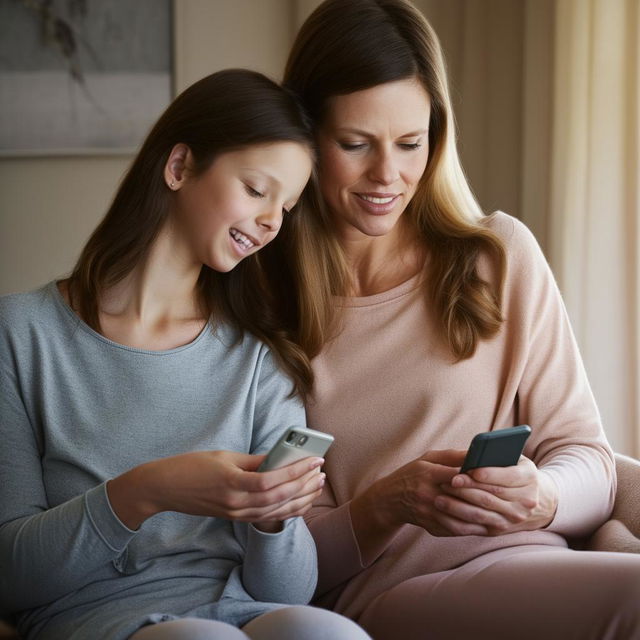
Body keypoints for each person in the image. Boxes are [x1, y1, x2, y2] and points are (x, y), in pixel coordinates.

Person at [270, 0, 640, 638]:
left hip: (534, 563)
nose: (388, 175)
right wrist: (388, 502)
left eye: (411, 143)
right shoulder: (263, 303)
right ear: (304, 136)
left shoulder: (497, 256)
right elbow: (284, 559)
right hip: (387, 596)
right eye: (355, 144)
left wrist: (543, 495)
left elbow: (589, 458)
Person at [0, 69, 371, 640]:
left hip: (240, 608)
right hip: (94, 618)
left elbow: (287, 593)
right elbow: (10, 576)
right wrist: (150, 489)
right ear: (179, 167)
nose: (273, 221)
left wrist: (275, 517)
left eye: (287, 206)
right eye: (256, 190)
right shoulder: (20, 335)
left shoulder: (258, 358)